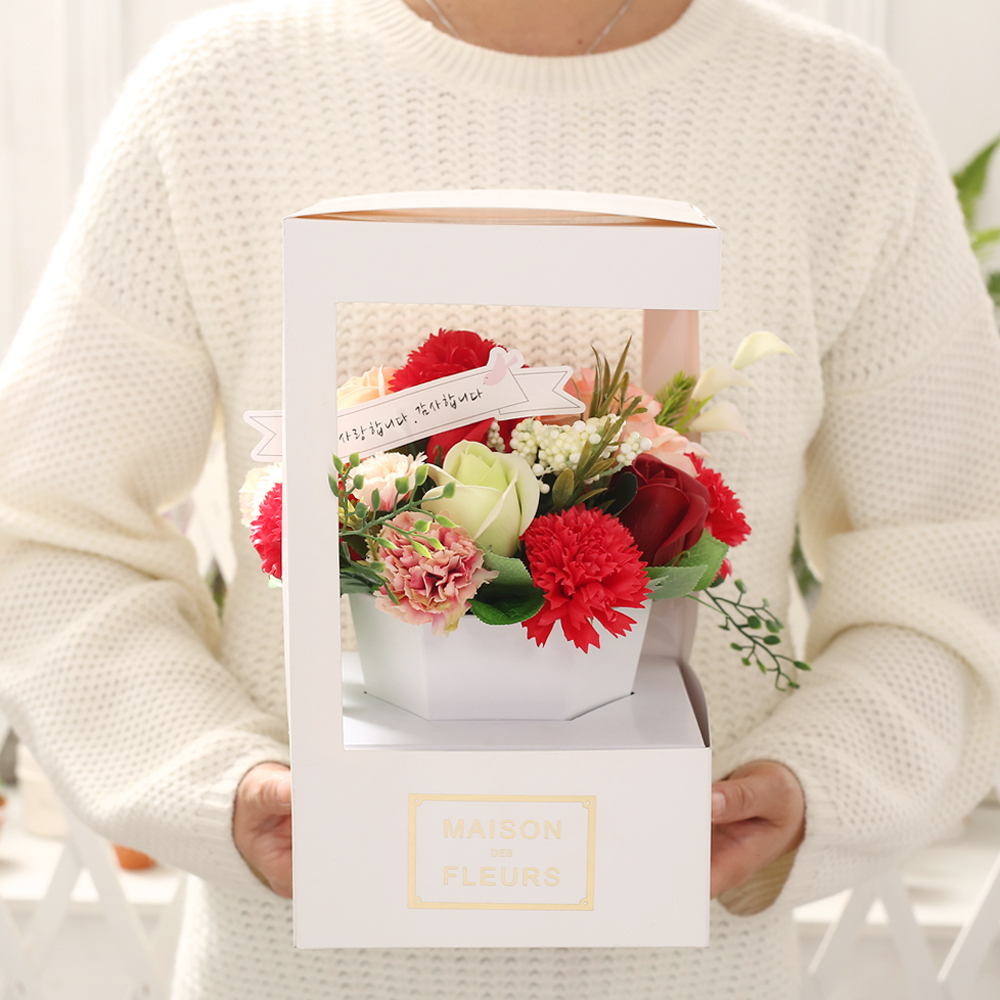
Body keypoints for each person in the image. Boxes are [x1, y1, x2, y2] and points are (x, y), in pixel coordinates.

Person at [1, 0, 998, 997]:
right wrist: (213, 778)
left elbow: (958, 554)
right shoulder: (220, 96)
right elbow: (50, 531)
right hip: (291, 969)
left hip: (692, 972)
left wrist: (814, 779)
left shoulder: (836, 115)